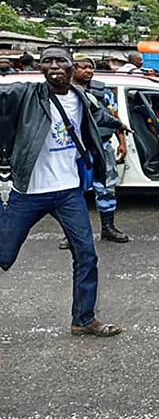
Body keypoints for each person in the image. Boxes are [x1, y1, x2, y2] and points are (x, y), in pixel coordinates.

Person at [0, 46, 125, 337]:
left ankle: (83, 319)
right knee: (4, 253)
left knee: (86, 255)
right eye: (47, 61)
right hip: (29, 191)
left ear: (72, 66)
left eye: (61, 61)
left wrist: (119, 125)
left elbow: (99, 116)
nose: (54, 66)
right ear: (40, 67)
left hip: (68, 191)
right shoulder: (26, 94)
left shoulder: (81, 97)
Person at [70, 55, 130, 244]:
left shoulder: (104, 93)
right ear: (72, 68)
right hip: (75, 149)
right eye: (83, 67)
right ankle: (71, 234)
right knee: (72, 191)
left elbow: (114, 117)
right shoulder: (65, 93)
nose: (88, 71)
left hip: (102, 146)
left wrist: (122, 142)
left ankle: (108, 228)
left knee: (106, 188)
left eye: (91, 67)